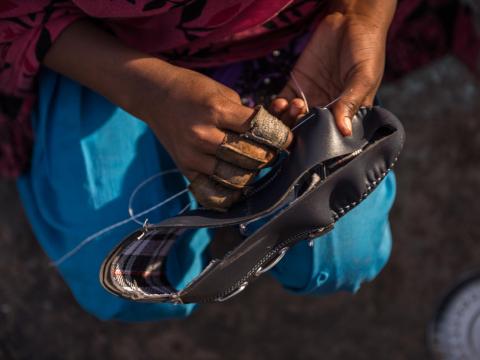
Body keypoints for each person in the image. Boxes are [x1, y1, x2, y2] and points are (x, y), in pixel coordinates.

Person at [0, 0, 397, 321]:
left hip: (303, 48)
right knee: (130, 285)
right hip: (101, 51)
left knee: (341, 259)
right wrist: (149, 93)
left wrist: (359, 14)